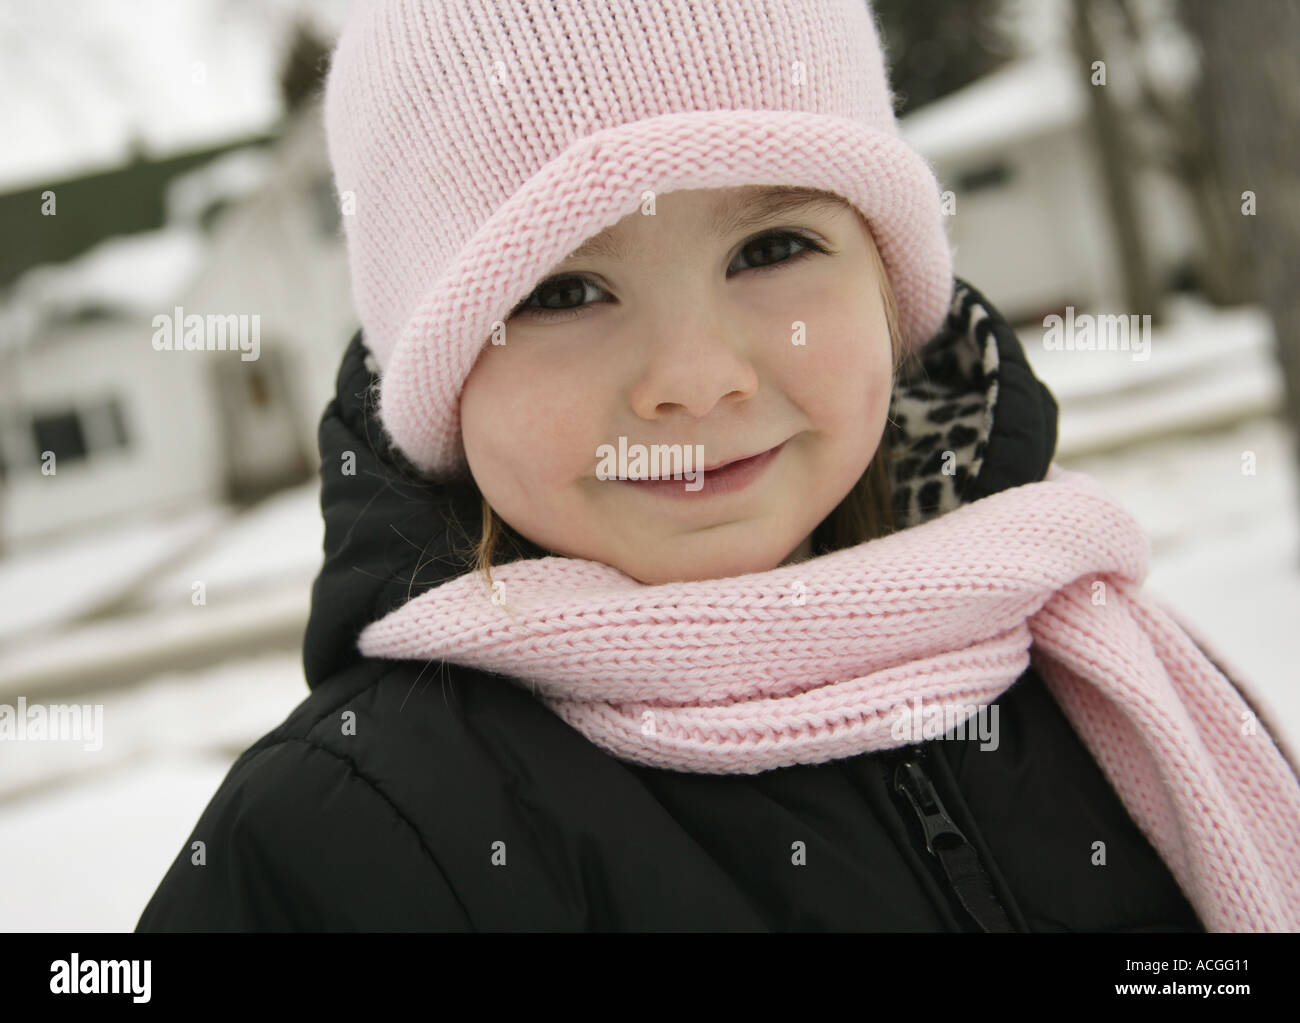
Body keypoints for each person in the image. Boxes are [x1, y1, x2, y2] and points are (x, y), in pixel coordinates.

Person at [135, 0, 1300, 932]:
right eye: (562, 290)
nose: (695, 379)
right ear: (438, 375)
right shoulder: (340, 842)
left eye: (773, 246)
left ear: (890, 286)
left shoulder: (1102, 675)